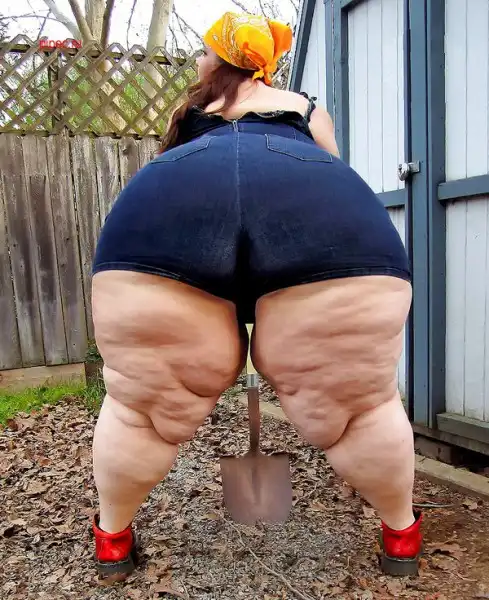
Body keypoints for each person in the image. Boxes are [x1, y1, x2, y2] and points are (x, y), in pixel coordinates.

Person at [90, 11, 422, 581]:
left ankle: (113, 542)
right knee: (361, 406)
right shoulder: (307, 110)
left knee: (139, 409)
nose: (198, 61)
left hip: (167, 213)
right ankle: (401, 537)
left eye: (204, 52)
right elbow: (332, 170)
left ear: (222, 60)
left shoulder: (189, 115)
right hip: (321, 212)